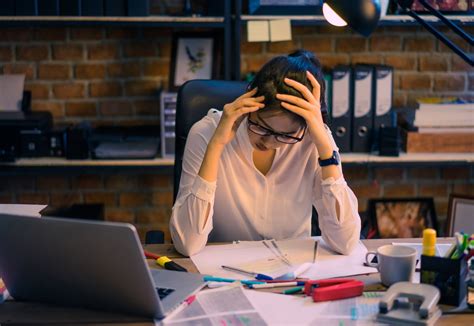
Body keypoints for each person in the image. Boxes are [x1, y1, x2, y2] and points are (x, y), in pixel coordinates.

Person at [170, 50, 361, 256]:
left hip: (294, 271)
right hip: (224, 270)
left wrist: (325, 147)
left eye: (286, 135)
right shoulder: (207, 133)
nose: (270, 142)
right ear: (250, 103)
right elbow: (187, 243)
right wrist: (217, 144)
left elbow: (345, 242)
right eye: (262, 127)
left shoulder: (313, 140)